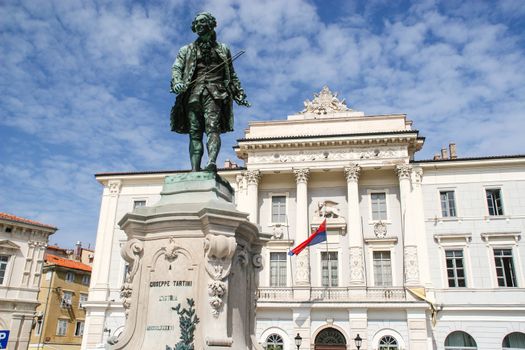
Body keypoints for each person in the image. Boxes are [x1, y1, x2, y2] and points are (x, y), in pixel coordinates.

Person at [170, 12, 250, 172]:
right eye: (196, 23)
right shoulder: (186, 49)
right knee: (195, 132)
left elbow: (231, 73)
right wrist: (177, 82)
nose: (198, 25)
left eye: (202, 22)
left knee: (213, 127)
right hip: (193, 94)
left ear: (210, 24)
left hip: (216, 93)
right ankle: (195, 169)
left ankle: (212, 162)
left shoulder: (223, 49)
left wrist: (238, 92)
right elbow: (177, 67)